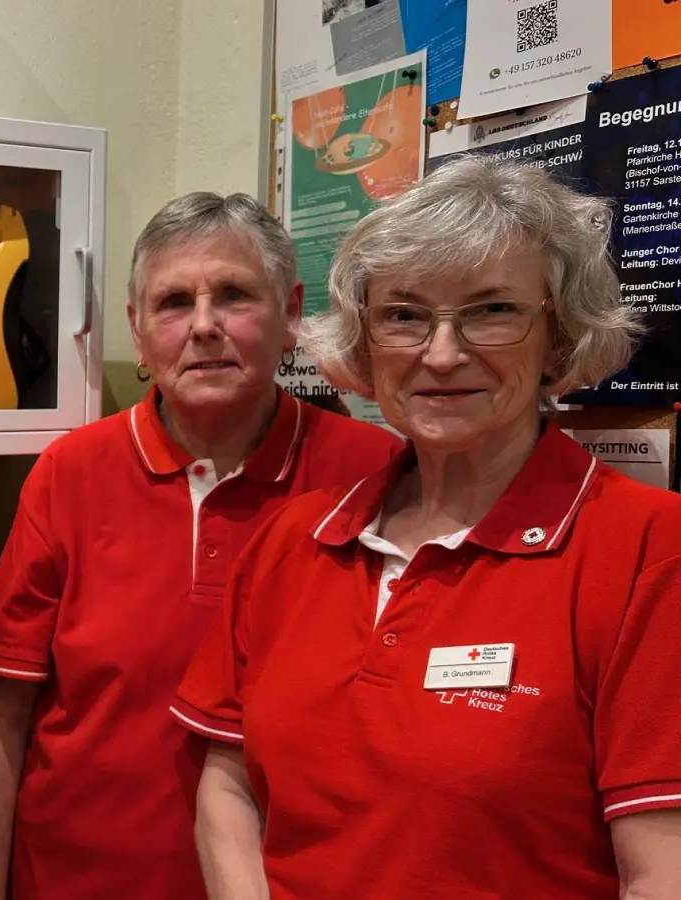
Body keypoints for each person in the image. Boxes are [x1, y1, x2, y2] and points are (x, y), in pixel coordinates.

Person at [175, 156, 681, 899]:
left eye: (492, 310)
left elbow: (661, 873)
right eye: (405, 316)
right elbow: (227, 787)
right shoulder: (296, 538)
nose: (442, 355)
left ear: (560, 334)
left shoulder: (648, 551)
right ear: (365, 340)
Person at [0, 192, 402, 899]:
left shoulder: (376, 476)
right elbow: (0, 721)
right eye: (173, 303)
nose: (204, 326)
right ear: (138, 332)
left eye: (233, 295)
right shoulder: (68, 475)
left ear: (290, 313)